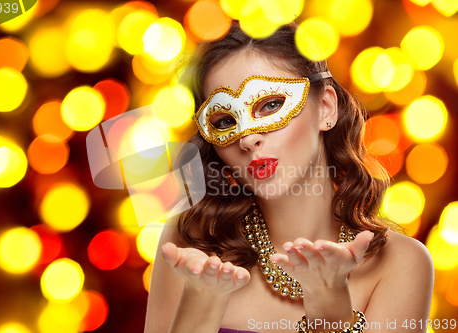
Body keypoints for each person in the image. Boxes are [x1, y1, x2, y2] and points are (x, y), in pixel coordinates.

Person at [144, 21, 434, 333]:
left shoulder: (400, 264)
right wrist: (199, 306)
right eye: (226, 119)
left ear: (325, 108)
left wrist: (330, 308)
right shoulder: (192, 242)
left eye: (270, 104)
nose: (249, 139)